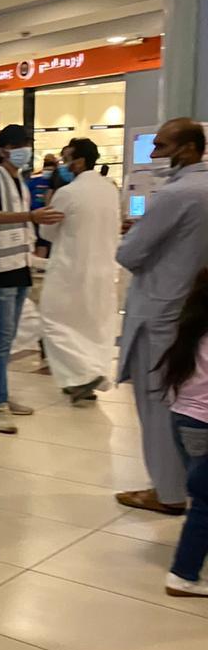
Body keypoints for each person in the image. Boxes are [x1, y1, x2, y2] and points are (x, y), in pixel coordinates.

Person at [115, 118, 208, 514]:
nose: (154, 154)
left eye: (161, 146)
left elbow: (129, 254)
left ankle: (168, 492)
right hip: (194, 309)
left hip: (160, 311)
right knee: (189, 402)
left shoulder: (177, 193)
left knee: (157, 404)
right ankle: (186, 484)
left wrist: (136, 233)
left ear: (187, 148)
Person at [0, 125, 63, 434]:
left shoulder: (19, 181)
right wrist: (30, 217)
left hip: (17, 267)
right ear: (4, 149)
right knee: (1, 338)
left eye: (27, 144)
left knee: (7, 337)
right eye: (19, 146)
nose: (24, 151)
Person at [38, 139, 120, 404]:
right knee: (93, 326)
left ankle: (83, 374)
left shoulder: (68, 193)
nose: (63, 164)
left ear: (80, 161)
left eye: (67, 158)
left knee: (54, 322)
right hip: (103, 269)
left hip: (69, 269)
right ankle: (85, 375)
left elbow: (47, 231)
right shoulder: (110, 189)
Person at [159, 269, 208, 596]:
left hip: (184, 420)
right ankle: (183, 575)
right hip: (204, 423)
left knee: (201, 494)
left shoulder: (192, 331)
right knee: (205, 503)